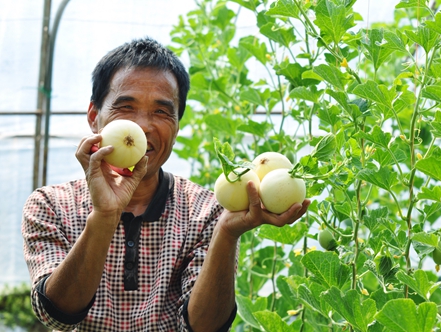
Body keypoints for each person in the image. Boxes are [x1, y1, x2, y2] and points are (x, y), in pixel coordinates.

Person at [22, 37, 310, 332]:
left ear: (176, 127)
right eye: (126, 107)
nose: (143, 126)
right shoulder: (49, 205)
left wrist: (226, 232)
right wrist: (105, 216)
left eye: (161, 112)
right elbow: (56, 313)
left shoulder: (207, 210)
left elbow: (203, 327)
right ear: (94, 118)